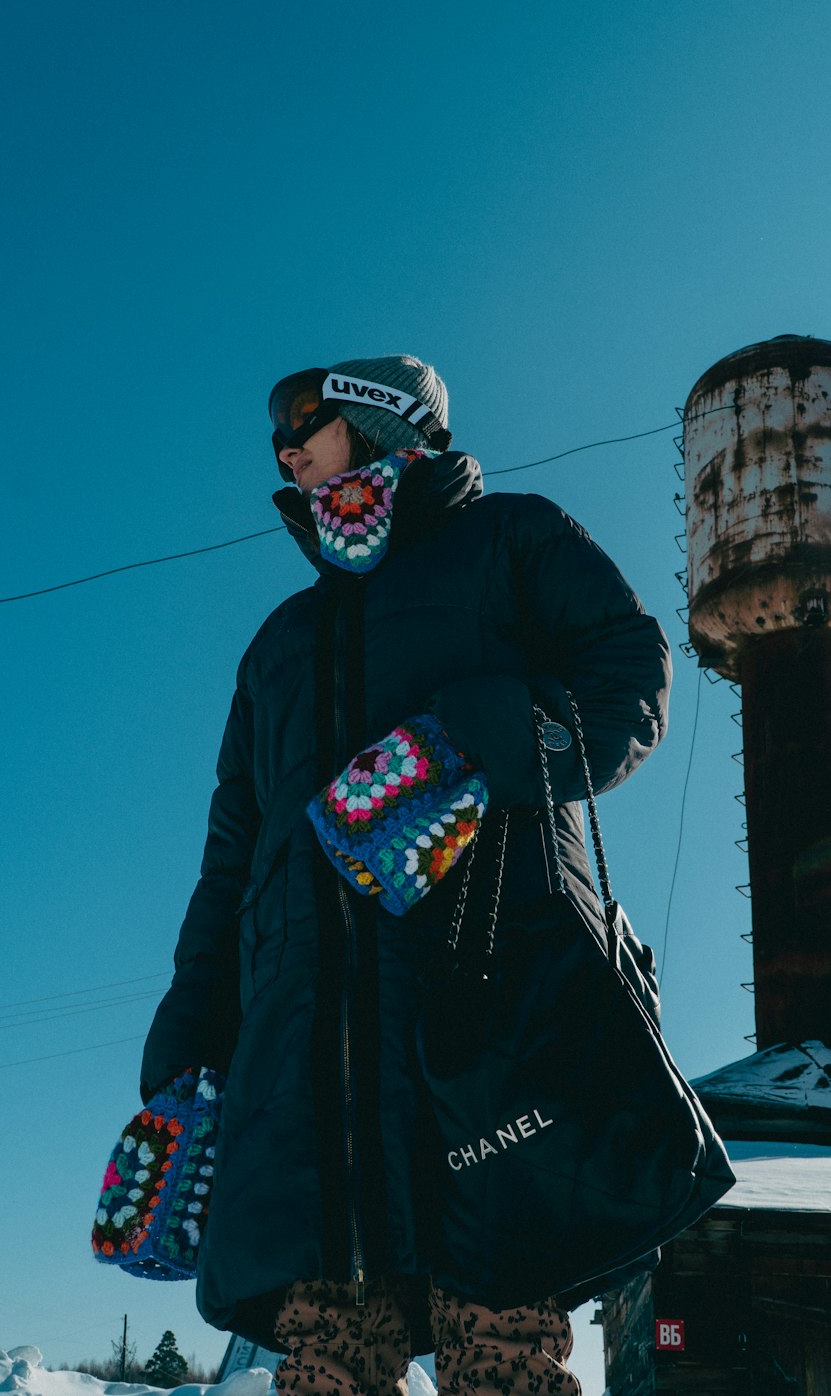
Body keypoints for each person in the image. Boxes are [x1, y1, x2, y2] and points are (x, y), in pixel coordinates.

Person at [141, 354, 672, 1396]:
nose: (286, 450)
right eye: (278, 438)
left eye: (308, 420)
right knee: (325, 1364)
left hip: (485, 1016)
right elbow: (231, 856)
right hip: (307, 1071)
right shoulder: (279, 645)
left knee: (503, 1354)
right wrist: (192, 1029)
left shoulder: (511, 541)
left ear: (387, 420)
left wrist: (487, 731)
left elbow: (627, 684)